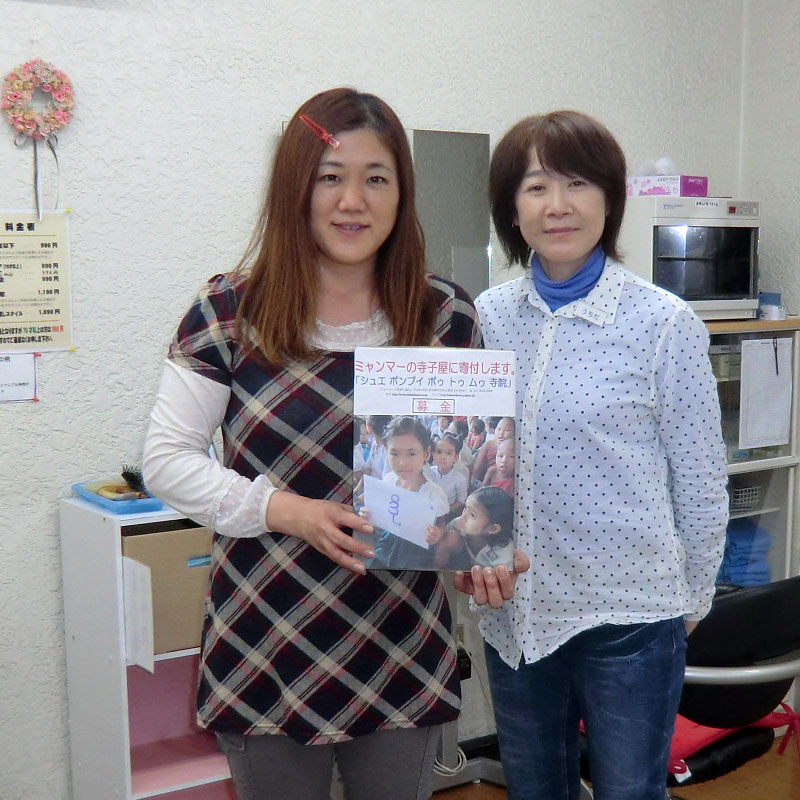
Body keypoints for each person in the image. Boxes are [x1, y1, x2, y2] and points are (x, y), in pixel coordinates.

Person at [143, 87, 505, 800]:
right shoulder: (228, 312)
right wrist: (287, 511)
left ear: (402, 194)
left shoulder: (443, 314)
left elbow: (465, 470)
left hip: (399, 641)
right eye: (330, 177)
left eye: (377, 179)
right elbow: (167, 460)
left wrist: (480, 551)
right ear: (296, 189)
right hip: (266, 638)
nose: (352, 201)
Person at [462, 110, 728, 800]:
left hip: (630, 614)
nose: (557, 205)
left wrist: (692, 599)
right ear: (512, 210)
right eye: (535, 187)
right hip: (516, 611)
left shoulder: (664, 323)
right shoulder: (486, 317)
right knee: (535, 790)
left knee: (629, 792)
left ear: (609, 199)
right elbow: (470, 458)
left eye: (577, 183)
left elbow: (701, 479)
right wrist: (467, 554)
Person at [368, 416, 450, 569]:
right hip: (386, 545)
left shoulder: (435, 494)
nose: (402, 462)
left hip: (416, 553)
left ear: (426, 454)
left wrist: (437, 533)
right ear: (386, 452)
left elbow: (441, 522)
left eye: (411, 454)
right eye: (394, 454)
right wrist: (369, 515)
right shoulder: (388, 481)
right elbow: (381, 513)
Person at [430, 486, 515, 570]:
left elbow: (503, 577)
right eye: (465, 508)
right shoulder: (457, 524)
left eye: (472, 515)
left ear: (492, 529)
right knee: (451, 537)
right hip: (462, 564)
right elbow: (443, 541)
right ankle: (436, 571)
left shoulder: (503, 556)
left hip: (484, 576)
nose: (463, 517)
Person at [431, 432, 469, 517]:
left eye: (449, 453)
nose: (443, 457)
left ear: (455, 457)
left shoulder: (460, 479)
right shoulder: (429, 472)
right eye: (439, 452)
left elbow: (461, 500)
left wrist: (446, 511)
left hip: (447, 514)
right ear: (433, 455)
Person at [472, 415, 515, 483]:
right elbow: (478, 467)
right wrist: (474, 481)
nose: (501, 433)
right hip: (489, 478)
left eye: (507, 430)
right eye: (499, 429)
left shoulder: (516, 448)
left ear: (514, 433)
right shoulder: (489, 445)